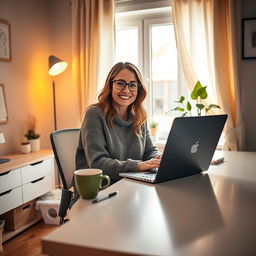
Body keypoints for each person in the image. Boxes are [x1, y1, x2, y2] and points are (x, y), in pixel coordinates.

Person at [75, 62, 161, 184]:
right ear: (110, 86)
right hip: (98, 188)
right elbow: (98, 162)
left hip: (129, 184)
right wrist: (137, 166)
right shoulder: (94, 114)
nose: (126, 90)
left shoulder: (139, 116)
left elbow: (149, 150)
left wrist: (158, 158)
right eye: (120, 83)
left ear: (138, 89)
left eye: (132, 85)